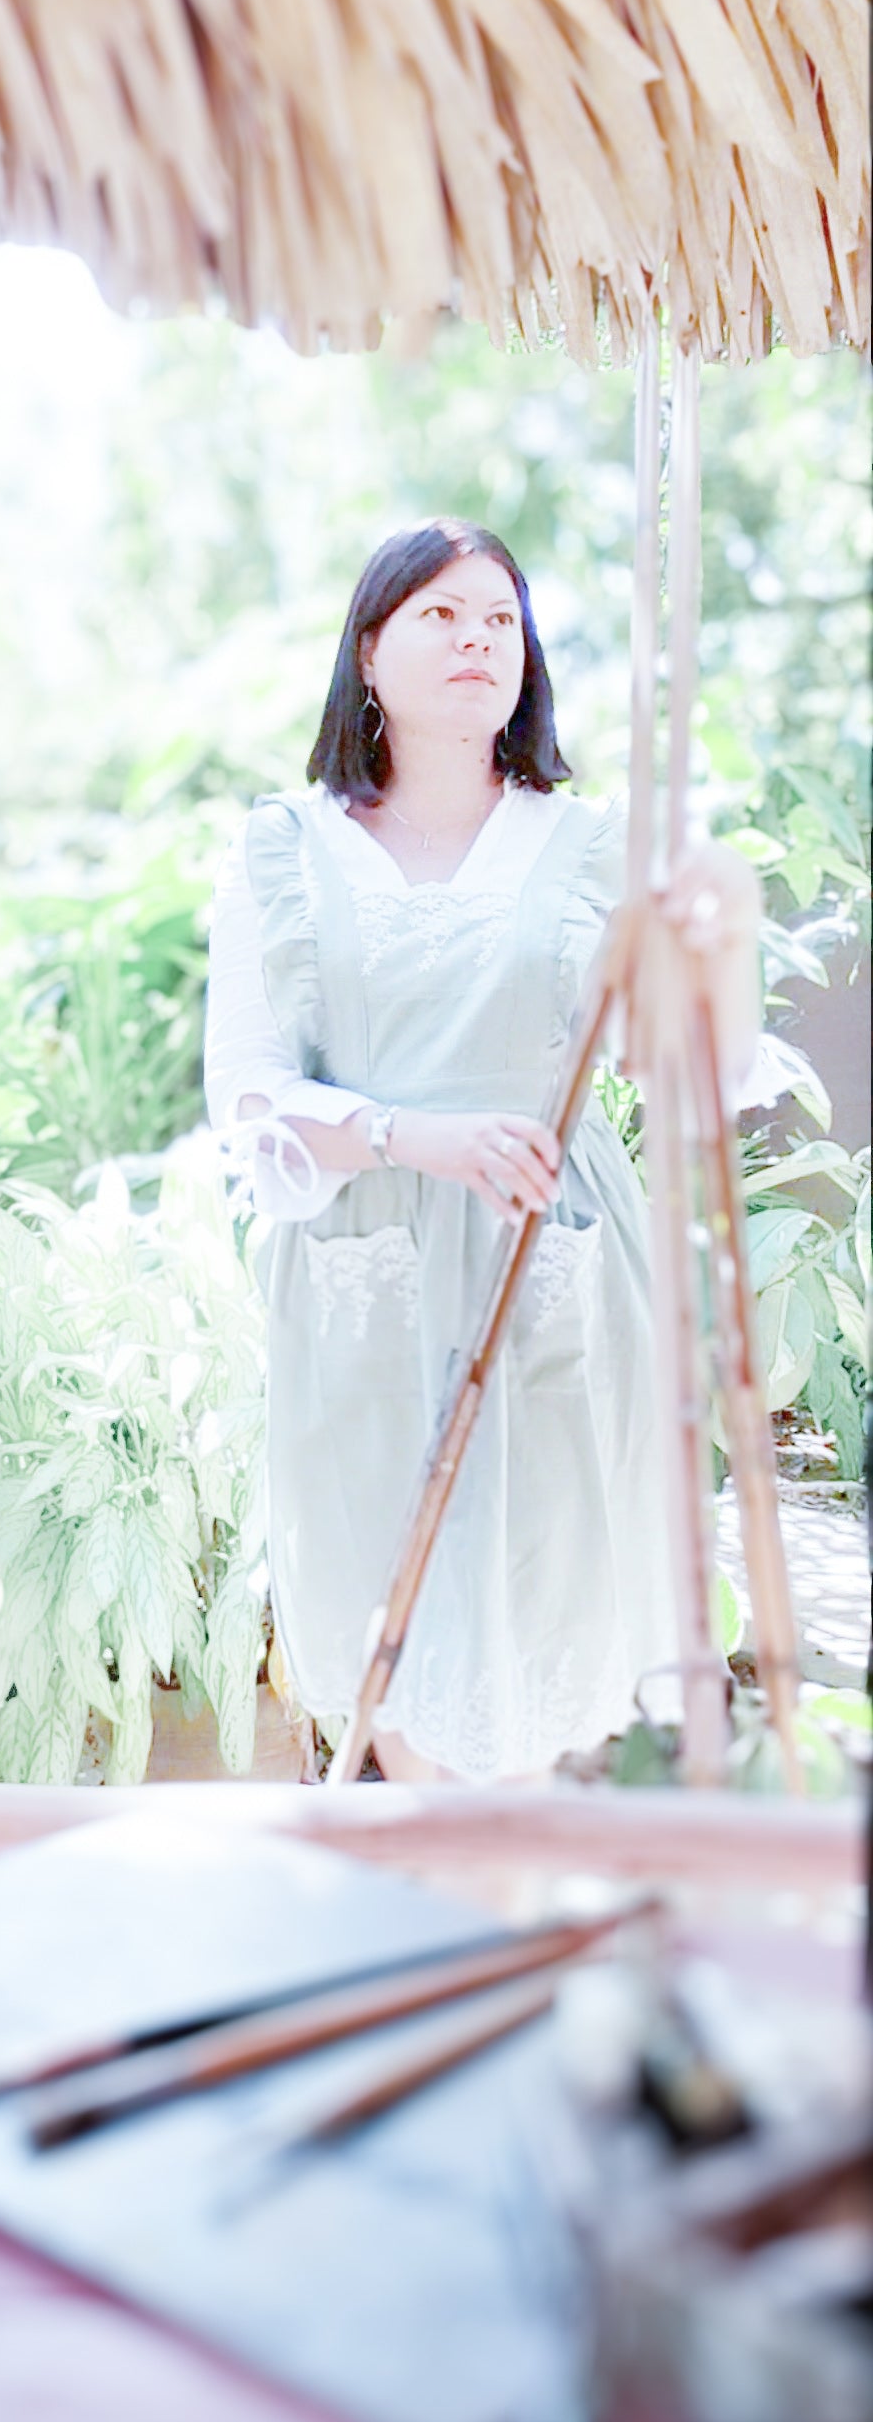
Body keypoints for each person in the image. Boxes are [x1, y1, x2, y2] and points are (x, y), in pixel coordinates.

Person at [203, 520, 762, 1782]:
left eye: (500, 620)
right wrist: (414, 1134)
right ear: (368, 652)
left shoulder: (595, 844)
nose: (476, 641)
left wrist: (716, 933)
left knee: (554, 1596)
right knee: (378, 1605)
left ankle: (523, 1900)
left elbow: (678, 1067)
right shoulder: (283, 851)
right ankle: (437, 1885)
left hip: (552, 1261)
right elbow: (246, 1092)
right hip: (364, 1267)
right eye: (440, 616)